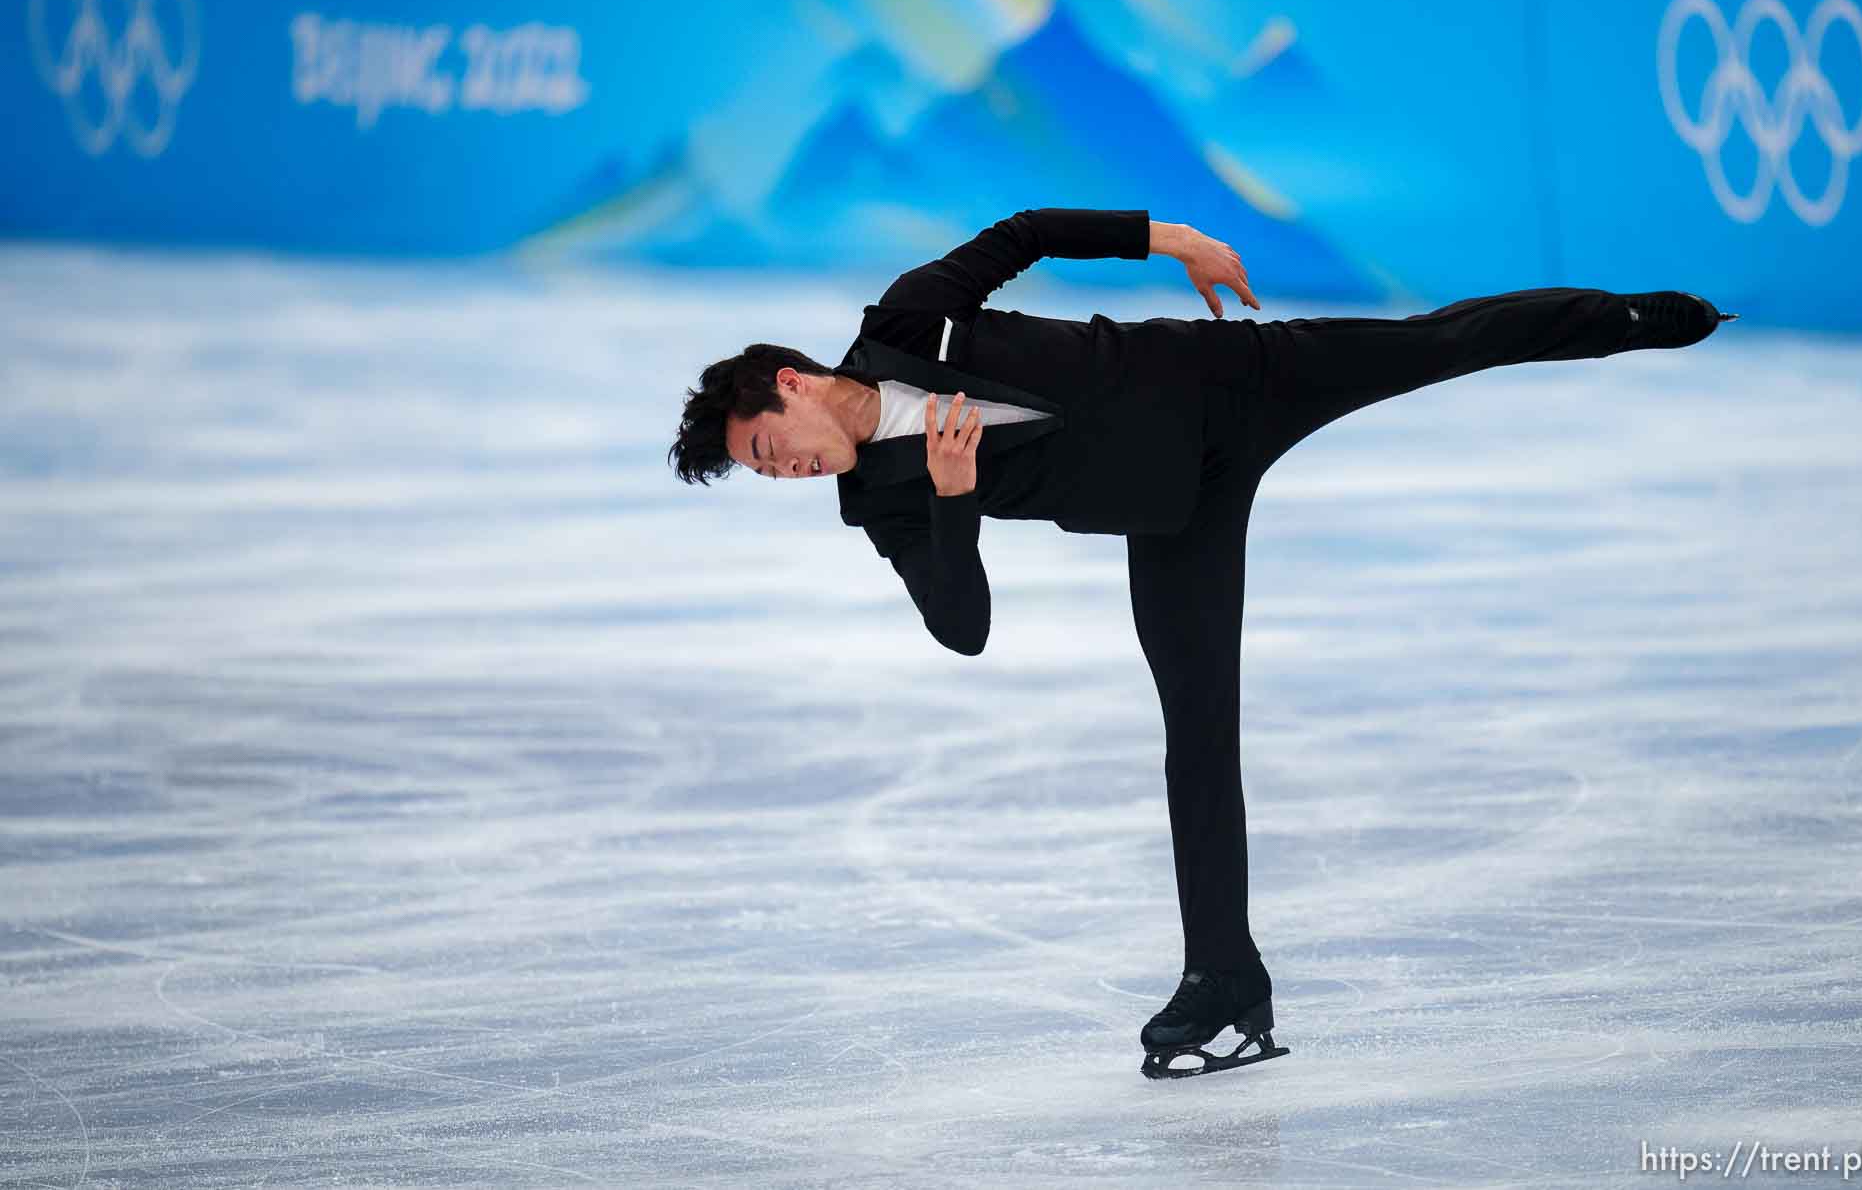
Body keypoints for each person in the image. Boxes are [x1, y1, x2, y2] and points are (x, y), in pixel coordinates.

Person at [668, 207, 1733, 1079]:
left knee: (1433, 342)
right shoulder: (883, 504)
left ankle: (1634, 318)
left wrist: (1166, 239)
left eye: (770, 449)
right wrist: (952, 501)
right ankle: (1226, 981)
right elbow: (964, 629)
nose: (787, 472)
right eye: (766, 473)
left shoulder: (910, 318)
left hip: (1230, 379)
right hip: (1171, 511)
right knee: (1196, 740)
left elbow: (1023, 231)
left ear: (794, 385)